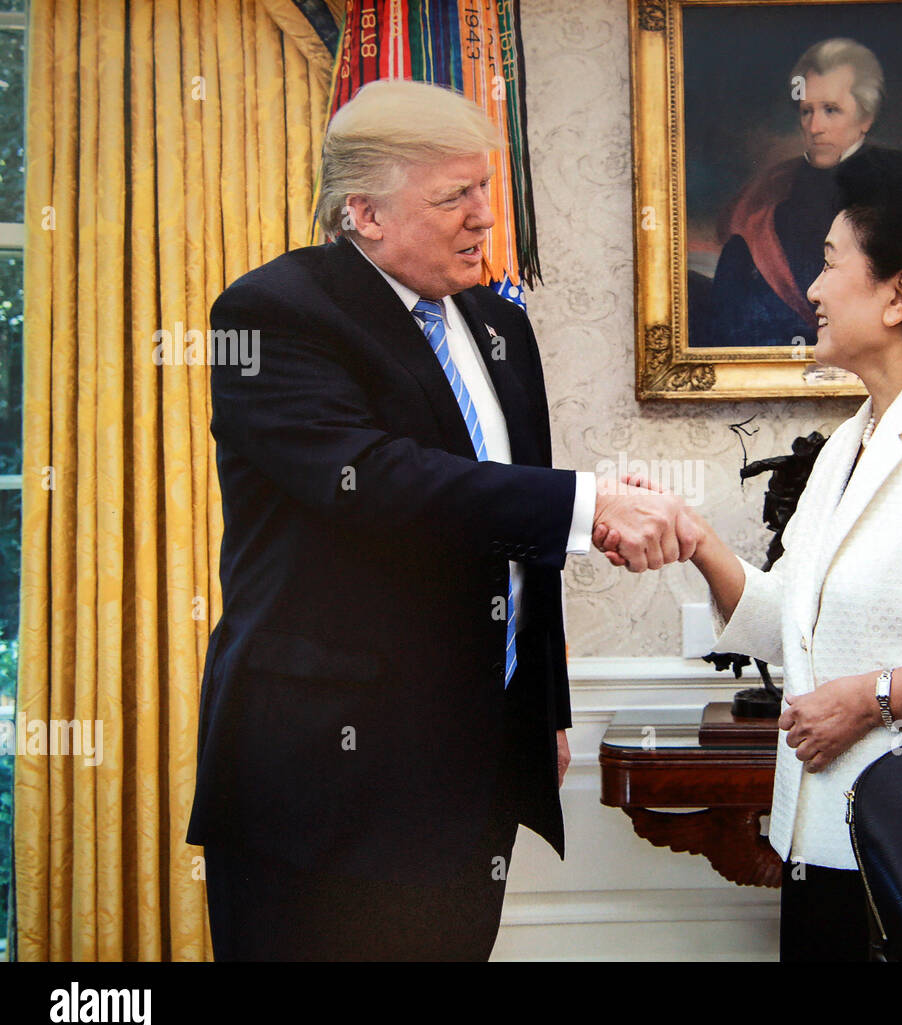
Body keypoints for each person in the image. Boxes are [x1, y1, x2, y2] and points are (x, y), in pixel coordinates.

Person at [186, 79, 697, 961]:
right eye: (453, 197)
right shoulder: (274, 315)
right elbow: (384, 483)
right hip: (325, 787)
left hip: (476, 768)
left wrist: (544, 708)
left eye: (485, 189)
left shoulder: (499, 322)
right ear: (366, 213)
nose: (484, 217)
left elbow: (514, 530)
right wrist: (593, 503)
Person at [600, 147, 902, 961]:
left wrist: (873, 697)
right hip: (824, 847)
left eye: (829, 264)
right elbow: (788, 624)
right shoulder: (851, 442)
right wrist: (697, 537)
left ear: (899, 295)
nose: (814, 288)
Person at [702, 38, 883, 347]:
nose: (814, 127)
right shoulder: (770, 191)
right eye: (806, 112)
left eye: (831, 110)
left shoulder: (896, 185)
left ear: (865, 118)